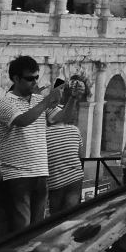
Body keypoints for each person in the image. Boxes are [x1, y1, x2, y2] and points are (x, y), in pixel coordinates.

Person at [0, 56, 62, 231]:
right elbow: (23, 120)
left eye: (36, 78)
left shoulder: (38, 100)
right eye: (29, 78)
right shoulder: (5, 102)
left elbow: (62, 118)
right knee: (21, 229)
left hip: (40, 172)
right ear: (16, 79)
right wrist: (47, 100)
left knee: (38, 229)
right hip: (18, 174)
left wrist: (73, 99)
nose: (34, 82)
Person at [46, 85, 84, 214]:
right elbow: (81, 154)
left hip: (55, 179)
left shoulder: (44, 135)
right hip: (75, 177)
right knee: (71, 212)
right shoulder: (74, 130)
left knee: (55, 214)